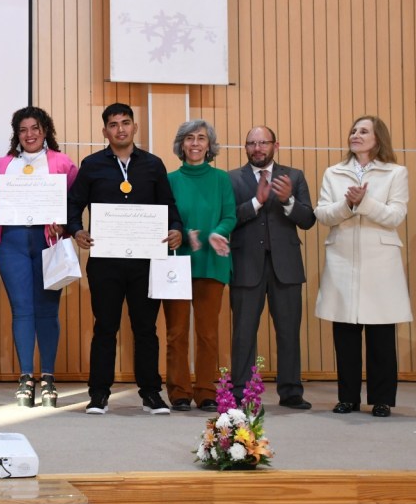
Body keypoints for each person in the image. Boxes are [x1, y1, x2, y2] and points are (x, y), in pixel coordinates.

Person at [66, 102, 182, 415]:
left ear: (134, 127)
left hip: (146, 261)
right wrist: (76, 230)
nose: (120, 129)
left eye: (125, 122)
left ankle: (151, 394)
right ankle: (99, 394)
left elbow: (169, 206)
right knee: (105, 326)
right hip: (105, 262)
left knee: (146, 328)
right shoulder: (91, 165)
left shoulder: (154, 165)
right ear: (105, 130)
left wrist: (175, 230)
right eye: (114, 124)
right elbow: (73, 205)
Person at [314, 116, 412, 418]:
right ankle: (348, 397)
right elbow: (323, 213)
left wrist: (365, 202)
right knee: (345, 331)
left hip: (380, 261)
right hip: (342, 259)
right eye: (354, 131)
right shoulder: (334, 172)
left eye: (364, 131)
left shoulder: (395, 172)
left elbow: (396, 215)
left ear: (378, 138)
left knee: (381, 334)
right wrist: (348, 205)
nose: (356, 135)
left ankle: (382, 399)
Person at [0, 107, 78, 408]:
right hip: (12, 243)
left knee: (48, 310)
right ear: (17, 133)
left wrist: (64, 224)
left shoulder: (62, 163)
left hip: (47, 241)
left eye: (35, 128)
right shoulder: (3, 164)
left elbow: (75, 203)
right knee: (22, 309)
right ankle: (26, 378)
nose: (30, 134)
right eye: (23, 129)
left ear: (45, 130)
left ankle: (48, 377)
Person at [228, 126, 316, 409]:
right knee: (243, 333)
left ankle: (291, 392)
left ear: (275, 145)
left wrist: (288, 199)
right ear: (245, 148)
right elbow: (229, 218)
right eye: (251, 143)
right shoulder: (231, 179)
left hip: (286, 266)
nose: (257, 148)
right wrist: (256, 202)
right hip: (245, 265)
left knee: (289, 331)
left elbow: (308, 220)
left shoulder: (294, 176)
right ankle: (241, 392)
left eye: (263, 143)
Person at [163, 120, 235, 413]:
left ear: (209, 145)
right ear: (181, 145)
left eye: (201, 138)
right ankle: (179, 391)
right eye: (189, 138)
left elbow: (230, 215)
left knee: (208, 333)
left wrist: (216, 232)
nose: (195, 143)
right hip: (177, 263)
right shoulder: (169, 180)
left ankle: (207, 391)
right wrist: (178, 232)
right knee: (176, 332)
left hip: (211, 262)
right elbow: (164, 217)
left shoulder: (221, 180)